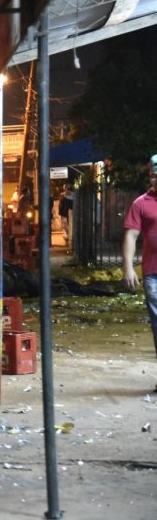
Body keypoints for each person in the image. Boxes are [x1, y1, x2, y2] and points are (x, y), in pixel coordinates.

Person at [122, 154, 157, 392]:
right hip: (153, 273)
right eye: (152, 175)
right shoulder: (140, 204)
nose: (154, 178)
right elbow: (131, 236)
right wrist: (127, 267)